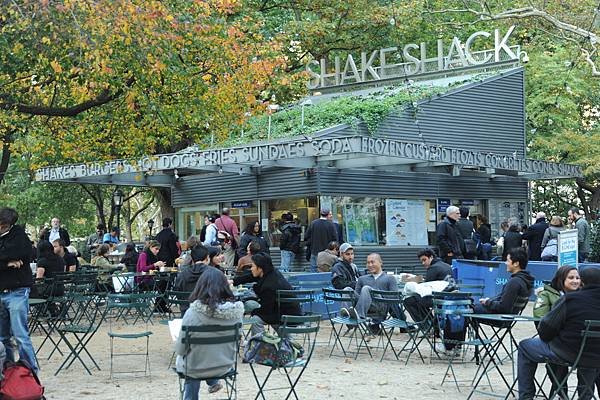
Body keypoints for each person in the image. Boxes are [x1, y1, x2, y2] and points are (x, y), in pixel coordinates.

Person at [517, 268, 600, 400]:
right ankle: (585, 396)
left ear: (582, 283)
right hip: (595, 357)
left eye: (577, 278)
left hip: (568, 354)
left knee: (524, 346)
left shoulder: (570, 299)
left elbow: (546, 329)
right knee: (589, 351)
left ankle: (526, 397)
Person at [175, 267, 244, 400]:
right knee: (198, 358)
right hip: (224, 366)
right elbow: (237, 341)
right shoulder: (236, 313)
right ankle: (212, 382)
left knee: (191, 360)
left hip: (195, 368)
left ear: (200, 286)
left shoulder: (193, 312)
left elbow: (180, 349)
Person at [532, 266, 581, 399]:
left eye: (577, 278)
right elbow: (540, 319)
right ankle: (561, 392)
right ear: (561, 279)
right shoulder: (546, 294)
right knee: (555, 356)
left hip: (579, 344)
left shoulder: (584, 296)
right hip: (555, 339)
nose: (575, 281)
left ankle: (563, 393)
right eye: (571, 278)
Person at [0, 207, 38, 372]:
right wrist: (7, 263)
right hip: (1, 291)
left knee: (20, 335)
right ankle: (7, 373)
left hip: (17, 292)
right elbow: (9, 255)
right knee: (2, 338)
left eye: (4, 224)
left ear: (8, 225)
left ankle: (31, 374)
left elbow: (22, 251)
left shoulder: (19, 236)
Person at [343, 254, 403, 338]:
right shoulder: (362, 279)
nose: (370, 265)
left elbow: (395, 298)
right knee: (347, 289)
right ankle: (349, 318)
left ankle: (359, 317)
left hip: (380, 307)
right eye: (368, 263)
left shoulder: (390, 278)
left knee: (366, 288)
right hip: (365, 306)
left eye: (372, 262)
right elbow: (355, 296)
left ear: (380, 263)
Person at [245, 253, 301, 335]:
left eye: (252, 266)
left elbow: (266, 310)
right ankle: (285, 341)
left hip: (284, 317)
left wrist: (252, 311)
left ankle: (261, 344)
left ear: (260, 268)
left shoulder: (269, 285)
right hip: (291, 313)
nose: (251, 269)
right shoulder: (274, 274)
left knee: (256, 320)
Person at [474, 247, 534, 314]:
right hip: (508, 317)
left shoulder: (514, 282)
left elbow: (503, 307)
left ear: (516, 263)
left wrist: (487, 302)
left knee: (468, 309)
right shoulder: (525, 281)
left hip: (501, 317)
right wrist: (489, 301)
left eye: (508, 261)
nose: (505, 263)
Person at [175, 246, 210, 315]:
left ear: (192, 259)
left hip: (186, 313)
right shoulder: (213, 273)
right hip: (207, 314)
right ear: (207, 258)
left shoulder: (183, 274)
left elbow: (178, 293)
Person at [304, 207, 338, 272]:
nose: (331, 216)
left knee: (313, 272)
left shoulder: (313, 223)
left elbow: (306, 236)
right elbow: (335, 240)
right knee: (325, 274)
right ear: (327, 215)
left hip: (314, 252)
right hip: (326, 254)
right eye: (330, 214)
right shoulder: (331, 225)